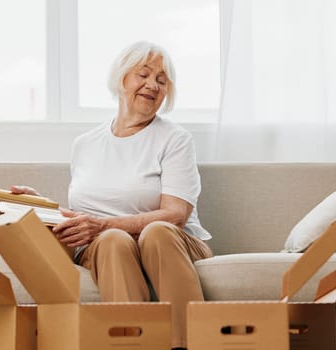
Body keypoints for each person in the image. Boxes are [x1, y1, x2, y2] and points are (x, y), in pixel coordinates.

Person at [12, 41, 213, 350]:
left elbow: (176, 215)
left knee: (156, 231)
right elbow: (86, 215)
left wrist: (104, 225)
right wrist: (38, 204)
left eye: (161, 80)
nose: (152, 85)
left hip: (172, 244)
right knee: (112, 241)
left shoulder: (175, 139)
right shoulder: (85, 144)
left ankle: (187, 344)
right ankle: (133, 345)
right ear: (121, 79)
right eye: (143, 75)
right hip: (104, 247)